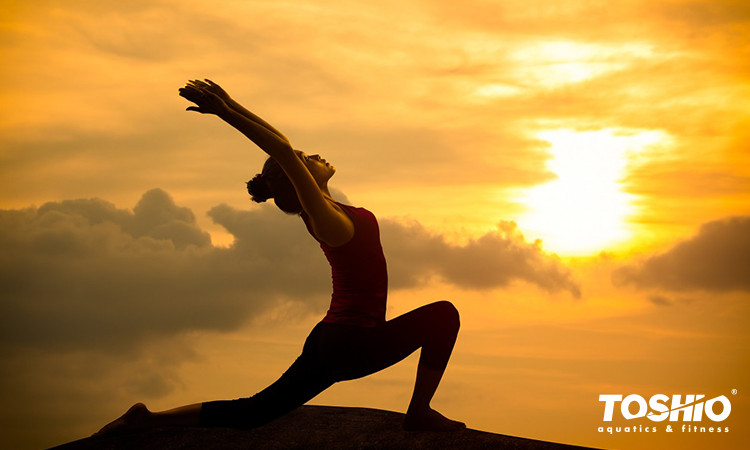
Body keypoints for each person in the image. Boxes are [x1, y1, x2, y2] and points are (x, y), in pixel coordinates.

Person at [95, 79, 464, 436]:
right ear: (299, 176)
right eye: (306, 159)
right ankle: (418, 413)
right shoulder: (326, 220)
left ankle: (148, 420)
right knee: (444, 316)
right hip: (352, 342)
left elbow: (287, 151)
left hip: (332, 338)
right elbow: (284, 151)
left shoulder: (328, 212)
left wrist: (231, 102)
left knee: (255, 411)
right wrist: (225, 111)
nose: (314, 155)